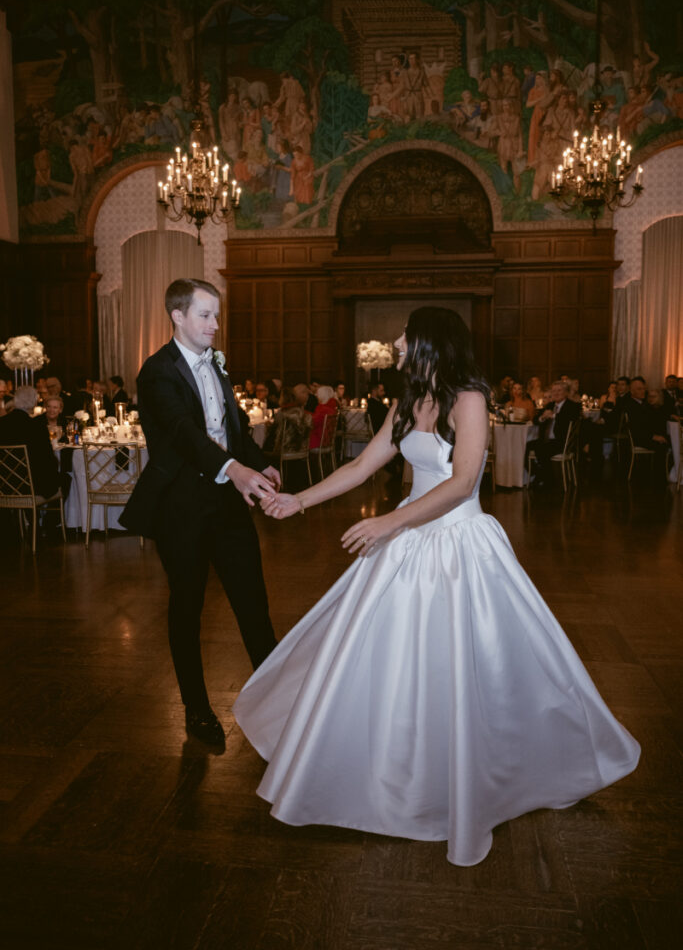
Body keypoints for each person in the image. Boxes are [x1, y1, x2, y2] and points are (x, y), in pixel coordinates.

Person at [233, 307, 640, 867]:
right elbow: (361, 466)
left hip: (458, 542)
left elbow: (463, 482)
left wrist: (389, 522)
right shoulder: (407, 401)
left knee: (478, 666)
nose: (397, 343)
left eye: (406, 336)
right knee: (384, 659)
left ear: (431, 342)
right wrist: (297, 501)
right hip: (408, 538)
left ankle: (516, 766)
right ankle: (386, 773)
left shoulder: (468, 399)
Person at [119, 278, 281, 747]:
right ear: (178, 315)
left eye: (216, 315)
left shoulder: (216, 364)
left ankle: (276, 703)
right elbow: (184, 434)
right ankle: (195, 708)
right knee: (187, 607)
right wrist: (235, 469)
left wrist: (258, 463)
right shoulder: (157, 372)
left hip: (228, 506)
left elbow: (234, 427)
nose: (215, 324)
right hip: (181, 509)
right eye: (205, 315)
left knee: (253, 603)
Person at [0, 386, 60, 498]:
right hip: (30, 489)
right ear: (34, 403)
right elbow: (48, 460)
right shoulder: (36, 426)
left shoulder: (1, 423)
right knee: (67, 478)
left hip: (4, 488)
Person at [529, 380, 582, 487]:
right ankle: (539, 473)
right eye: (554, 391)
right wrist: (542, 417)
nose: (556, 393)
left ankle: (548, 481)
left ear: (566, 392)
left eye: (559, 390)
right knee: (526, 446)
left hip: (562, 442)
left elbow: (569, 418)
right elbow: (535, 420)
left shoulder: (573, 406)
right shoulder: (550, 405)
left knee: (541, 450)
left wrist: (553, 416)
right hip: (546, 440)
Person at [308, 385, 337, 450]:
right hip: (326, 440)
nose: (316, 395)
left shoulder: (323, 410)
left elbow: (312, 423)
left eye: (317, 393)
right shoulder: (331, 408)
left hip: (318, 441)